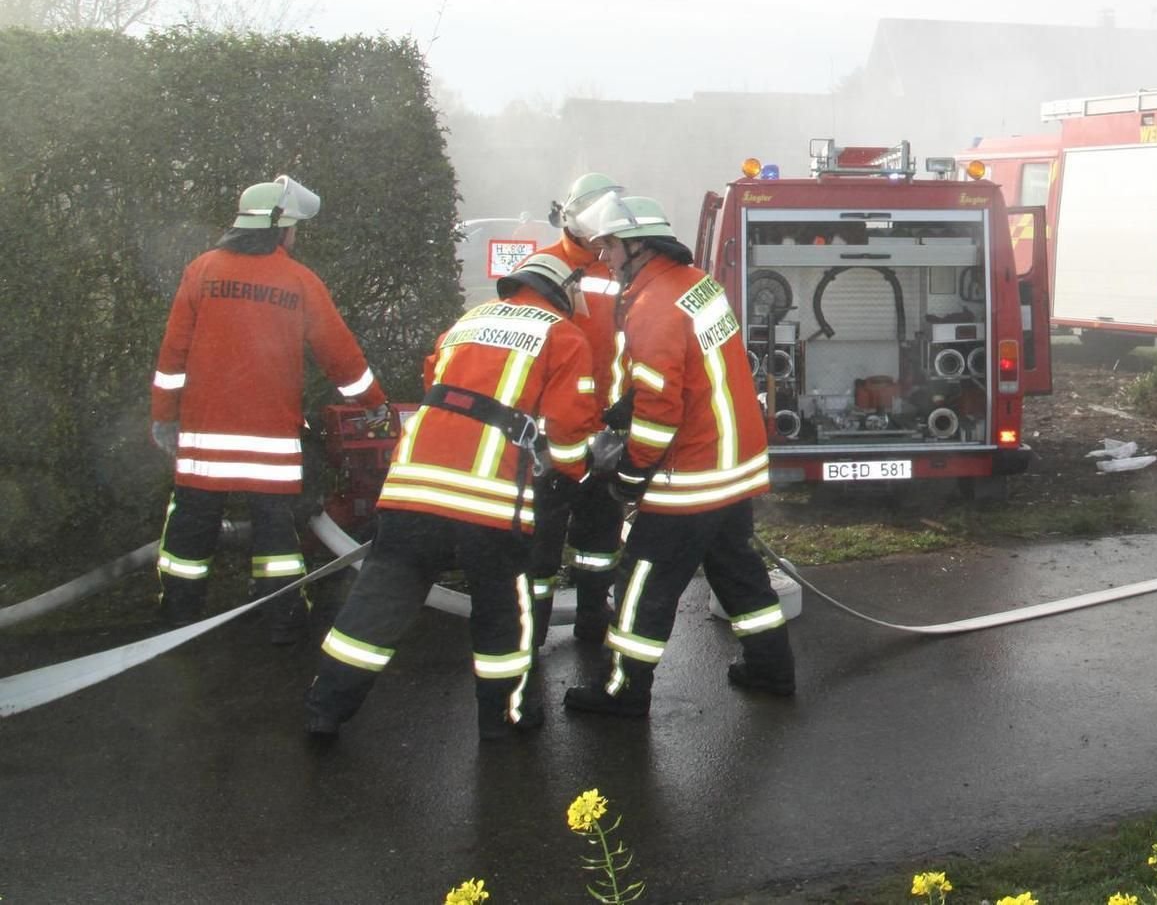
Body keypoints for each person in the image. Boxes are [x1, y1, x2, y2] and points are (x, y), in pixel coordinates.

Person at [304, 253, 600, 741]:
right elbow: (570, 430)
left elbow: (437, 387)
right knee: (502, 611)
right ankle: (503, 719)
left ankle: (325, 709)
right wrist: (571, 473)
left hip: (411, 490)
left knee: (377, 604)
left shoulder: (468, 321)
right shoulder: (564, 335)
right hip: (486, 503)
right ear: (559, 293)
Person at [562, 193, 795, 719]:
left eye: (613, 248)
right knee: (740, 575)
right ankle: (773, 669)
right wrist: (630, 402)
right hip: (733, 471)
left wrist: (631, 471)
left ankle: (624, 693)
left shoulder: (653, 307)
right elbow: (693, 371)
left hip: (691, 478)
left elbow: (660, 412)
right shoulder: (697, 286)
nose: (607, 259)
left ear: (639, 245)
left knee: (644, 583)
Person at [150, 175, 389, 643]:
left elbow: (172, 355)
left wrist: (164, 416)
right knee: (276, 539)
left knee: (188, 537)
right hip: (271, 446)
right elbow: (341, 358)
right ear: (280, 229)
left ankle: (179, 623)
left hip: (203, 443)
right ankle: (281, 622)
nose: (296, 236)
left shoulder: (202, 270)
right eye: (295, 228)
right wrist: (375, 404)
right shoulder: (299, 282)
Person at [527, 171, 628, 648]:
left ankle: (594, 617)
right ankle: (530, 633)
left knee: (600, 539)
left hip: (602, 429)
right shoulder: (543, 269)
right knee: (540, 541)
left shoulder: (617, 267)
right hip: (549, 436)